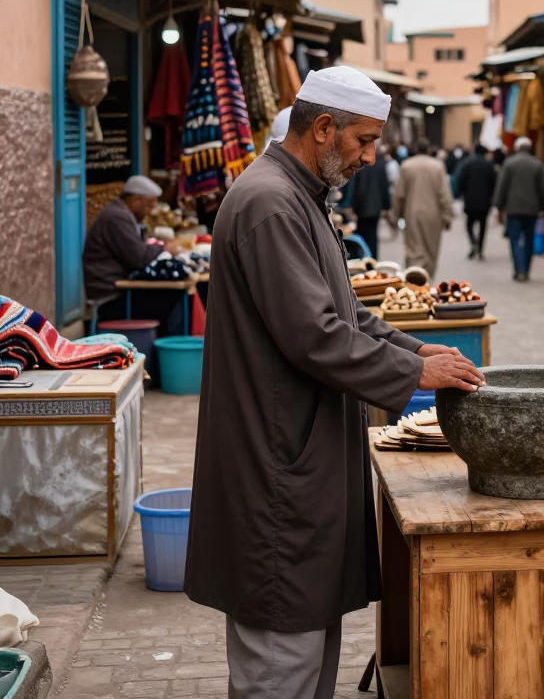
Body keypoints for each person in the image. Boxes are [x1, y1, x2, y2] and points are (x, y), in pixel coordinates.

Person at [184, 66, 484, 699]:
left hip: (295, 460)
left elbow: (345, 313)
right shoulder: (270, 202)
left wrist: (413, 346)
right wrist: (414, 371)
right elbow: (315, 334)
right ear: (323, 129)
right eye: (364, 142)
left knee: (305, 651)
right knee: (280, 664)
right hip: (275, 472)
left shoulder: (298, 196)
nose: (373, 157)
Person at [82, 175, 183, 332]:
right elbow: (139, 257)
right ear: (135, 201)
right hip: (110, 294)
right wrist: (164, 249)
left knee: (172, 296)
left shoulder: (123, 215)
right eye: (148, 205)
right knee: (173, 299)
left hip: (120, 288)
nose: (150, 211)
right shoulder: (117, 217)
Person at [392, 138, 453, 278]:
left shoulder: (407, 166)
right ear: (429, 149)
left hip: (412, 212)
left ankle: (414, 278)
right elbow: (444, 194)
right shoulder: (437, 166)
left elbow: (399, 194)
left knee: (414, 248)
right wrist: (447, 216)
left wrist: (396, 215)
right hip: (433, 214)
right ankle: (428, 277)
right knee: (431, 248)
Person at [494, 137, 544, 282]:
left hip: (513, 208)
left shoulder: (509, 164)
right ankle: (526, 269)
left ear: (517, 148)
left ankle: (519, 270)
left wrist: (498, 206)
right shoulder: (537, 165)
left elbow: (502, 187)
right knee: (529, 239)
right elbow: (543, 189)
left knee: (515, 240)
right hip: (532, 209)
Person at [348, 145, 391, 259]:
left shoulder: (359, 164)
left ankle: (363, 259)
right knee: (373, 236)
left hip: (362, 207)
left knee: (362, 235)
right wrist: (386, 206)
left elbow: (356, 187)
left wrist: (353, 206)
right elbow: (384, 186)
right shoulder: (381, 164)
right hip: (375, 207)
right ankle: (373, 260)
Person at [456, 144, 498, 259]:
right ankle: (480, 248)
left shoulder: (468, 164)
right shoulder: (489, 165)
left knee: (469, 224)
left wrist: (461, 195)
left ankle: (473, 241)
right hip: (485, 201)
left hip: (470, 201)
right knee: (483, 226)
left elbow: (461, 181)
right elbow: (494, 183)